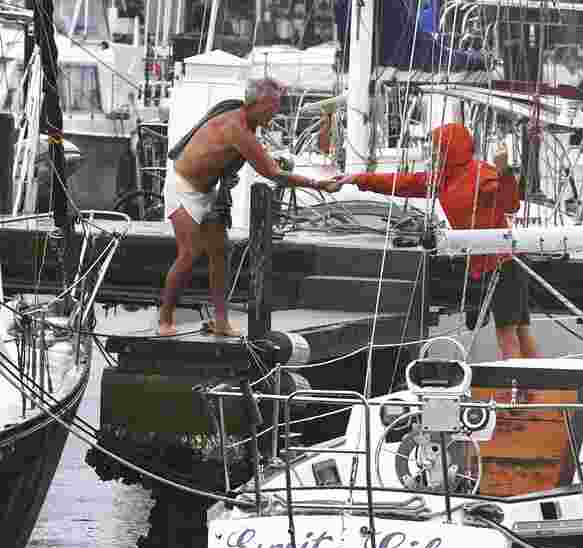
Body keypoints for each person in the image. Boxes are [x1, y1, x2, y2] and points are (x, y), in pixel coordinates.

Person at [159, 77, 343, 337]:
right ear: (257, 104)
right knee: (189, 253)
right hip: (182, 188)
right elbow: (272, 173)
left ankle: (221, 321)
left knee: (220, 253)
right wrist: (318, 184)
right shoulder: (237, 127)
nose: (276, 112)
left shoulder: (247, 122)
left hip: (209, 190)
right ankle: (165, 320)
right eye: (273, 106)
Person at [338, 122, 539, 359]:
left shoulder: (481, 173)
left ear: (451, 148)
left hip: (505, 263)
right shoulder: (441, 179)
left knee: (509, 335)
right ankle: (533, 389)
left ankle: (514, 391)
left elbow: (511, 205)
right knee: (519, 332)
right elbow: (402, 182)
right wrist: (358, 179)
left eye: (436, 148)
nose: (432, 153)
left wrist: (504, 172)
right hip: (481, 264)